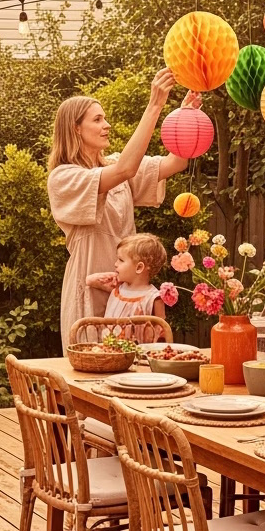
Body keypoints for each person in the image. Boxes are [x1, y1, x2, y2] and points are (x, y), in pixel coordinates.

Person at [47, 70, 195, 345]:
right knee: (92, 362)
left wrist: (186, 118)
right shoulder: (63, 177)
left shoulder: (114, 164)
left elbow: (176, 162)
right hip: (90, 289)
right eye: (97, 119)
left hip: (131, 293)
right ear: (75, 128)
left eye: (104, 118)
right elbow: (125, 169)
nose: (107, 125)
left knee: (134, 362)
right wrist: (155, 104)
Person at [86, 232, 169, 342]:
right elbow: (89, 281)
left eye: (121, 260)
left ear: (139, 268)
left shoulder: (153, 298)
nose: (115, 264)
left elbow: (163, 333)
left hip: (138, 351)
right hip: (109, 349)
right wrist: (108, 277)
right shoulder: (118, 289)